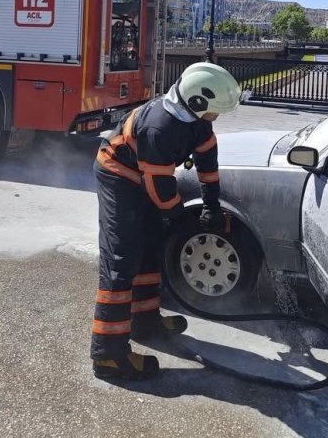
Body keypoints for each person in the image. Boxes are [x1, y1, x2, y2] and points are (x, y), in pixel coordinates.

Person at [89, 62, 242, 380]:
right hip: (118, 176)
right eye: (215, 111)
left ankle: (144, 321)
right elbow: (160, 189)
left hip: (144, 176)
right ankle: (108, 355)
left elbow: (207, 159)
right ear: (197, 100)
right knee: (121, 258)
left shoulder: (196, 119)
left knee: (150, 246)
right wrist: (180, 218)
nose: (216, 117)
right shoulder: (160, 126)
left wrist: (211, 203)